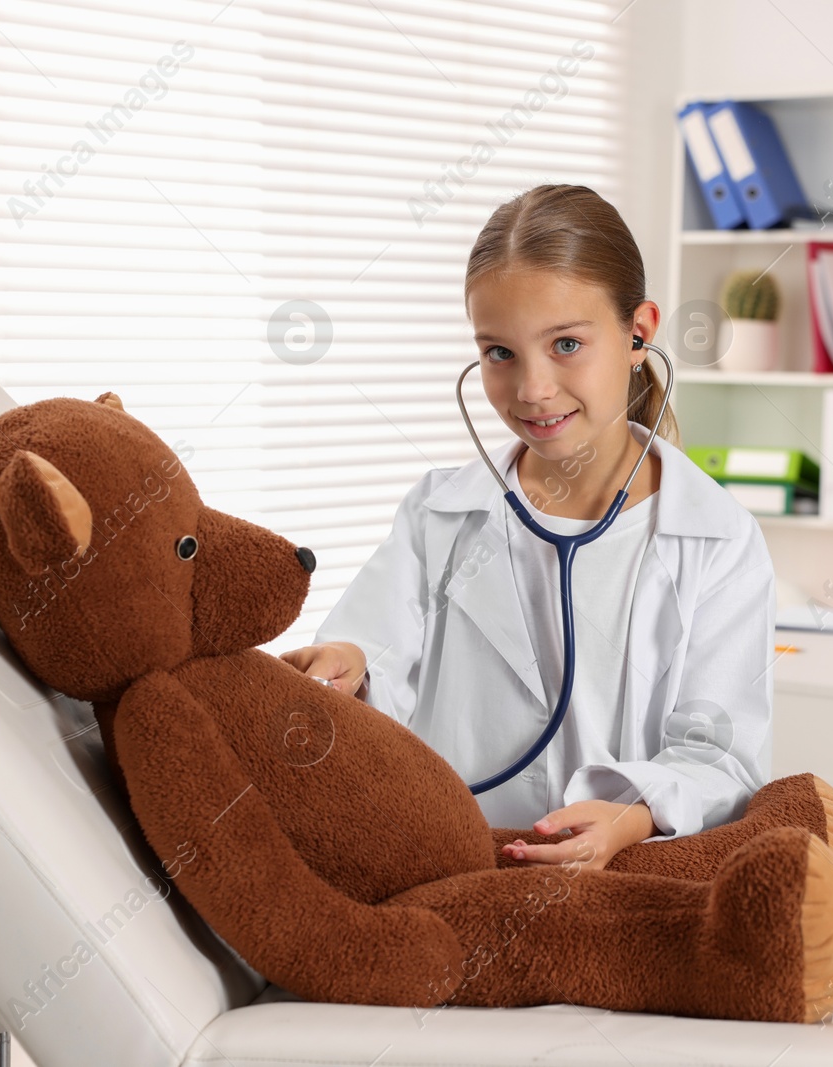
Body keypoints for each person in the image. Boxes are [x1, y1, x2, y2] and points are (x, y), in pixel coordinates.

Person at [281, 184, 775, 871]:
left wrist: (630, 816)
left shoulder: (717, 540)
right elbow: (374, 654)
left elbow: (719, 756)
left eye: (566, 343)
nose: (532, 388)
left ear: (640, 333)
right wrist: (351, 666)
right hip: (454, 868)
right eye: (499, 353)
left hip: (619, 878)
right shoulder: (440, 514)